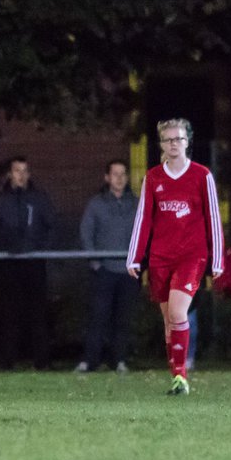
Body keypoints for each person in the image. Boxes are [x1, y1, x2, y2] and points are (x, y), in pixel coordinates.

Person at [127, 118, 224, 395]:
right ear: (161, 144)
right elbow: (143, 219)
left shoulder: (202, 175)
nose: (173, 144)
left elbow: (213, 219)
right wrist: (135, 257)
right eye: (168, 140)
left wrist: (217, 259)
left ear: (187, 141)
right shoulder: (153, 178)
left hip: (191, 257)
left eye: (178, 139)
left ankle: (182, 376)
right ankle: (176, 376)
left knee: (178, 312)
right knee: (169, 321)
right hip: (160, 258)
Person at [0, 156, 56, 370]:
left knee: (38, 313)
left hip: (34, 263)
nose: (21, 175)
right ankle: (6, 362)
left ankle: (42, 362)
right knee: (8, 313)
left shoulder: (39, 199)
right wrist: (5, 247)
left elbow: (51, 226)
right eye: (16, 170)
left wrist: (38, 248)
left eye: (24, 171)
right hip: (8, 263)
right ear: (9, 174)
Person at [76, 159, 139, 374]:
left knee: (123, 319)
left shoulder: (137, 204)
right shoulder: (96, 204)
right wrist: (95, 263)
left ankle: (119, 360)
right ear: (107, 178)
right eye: (115, 174)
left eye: (123, 174)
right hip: (104, 271)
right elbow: (86, 233)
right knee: (98, 318)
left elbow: (145, 233)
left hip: (128, 272)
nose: (119, 178)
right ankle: (89, 361)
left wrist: (139, 262)